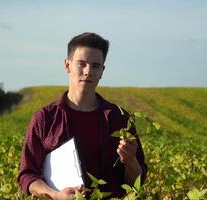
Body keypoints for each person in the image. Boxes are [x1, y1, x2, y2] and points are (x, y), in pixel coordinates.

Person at [18, 32, 147, 199]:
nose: (88, 71)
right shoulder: (45, 118)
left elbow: (137, 181)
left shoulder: (120, 118)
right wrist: (55, 195)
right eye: (81, 64)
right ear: (67, 66)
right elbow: (27, 175)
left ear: (102, 71)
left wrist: (130, 161)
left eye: (95, 66)